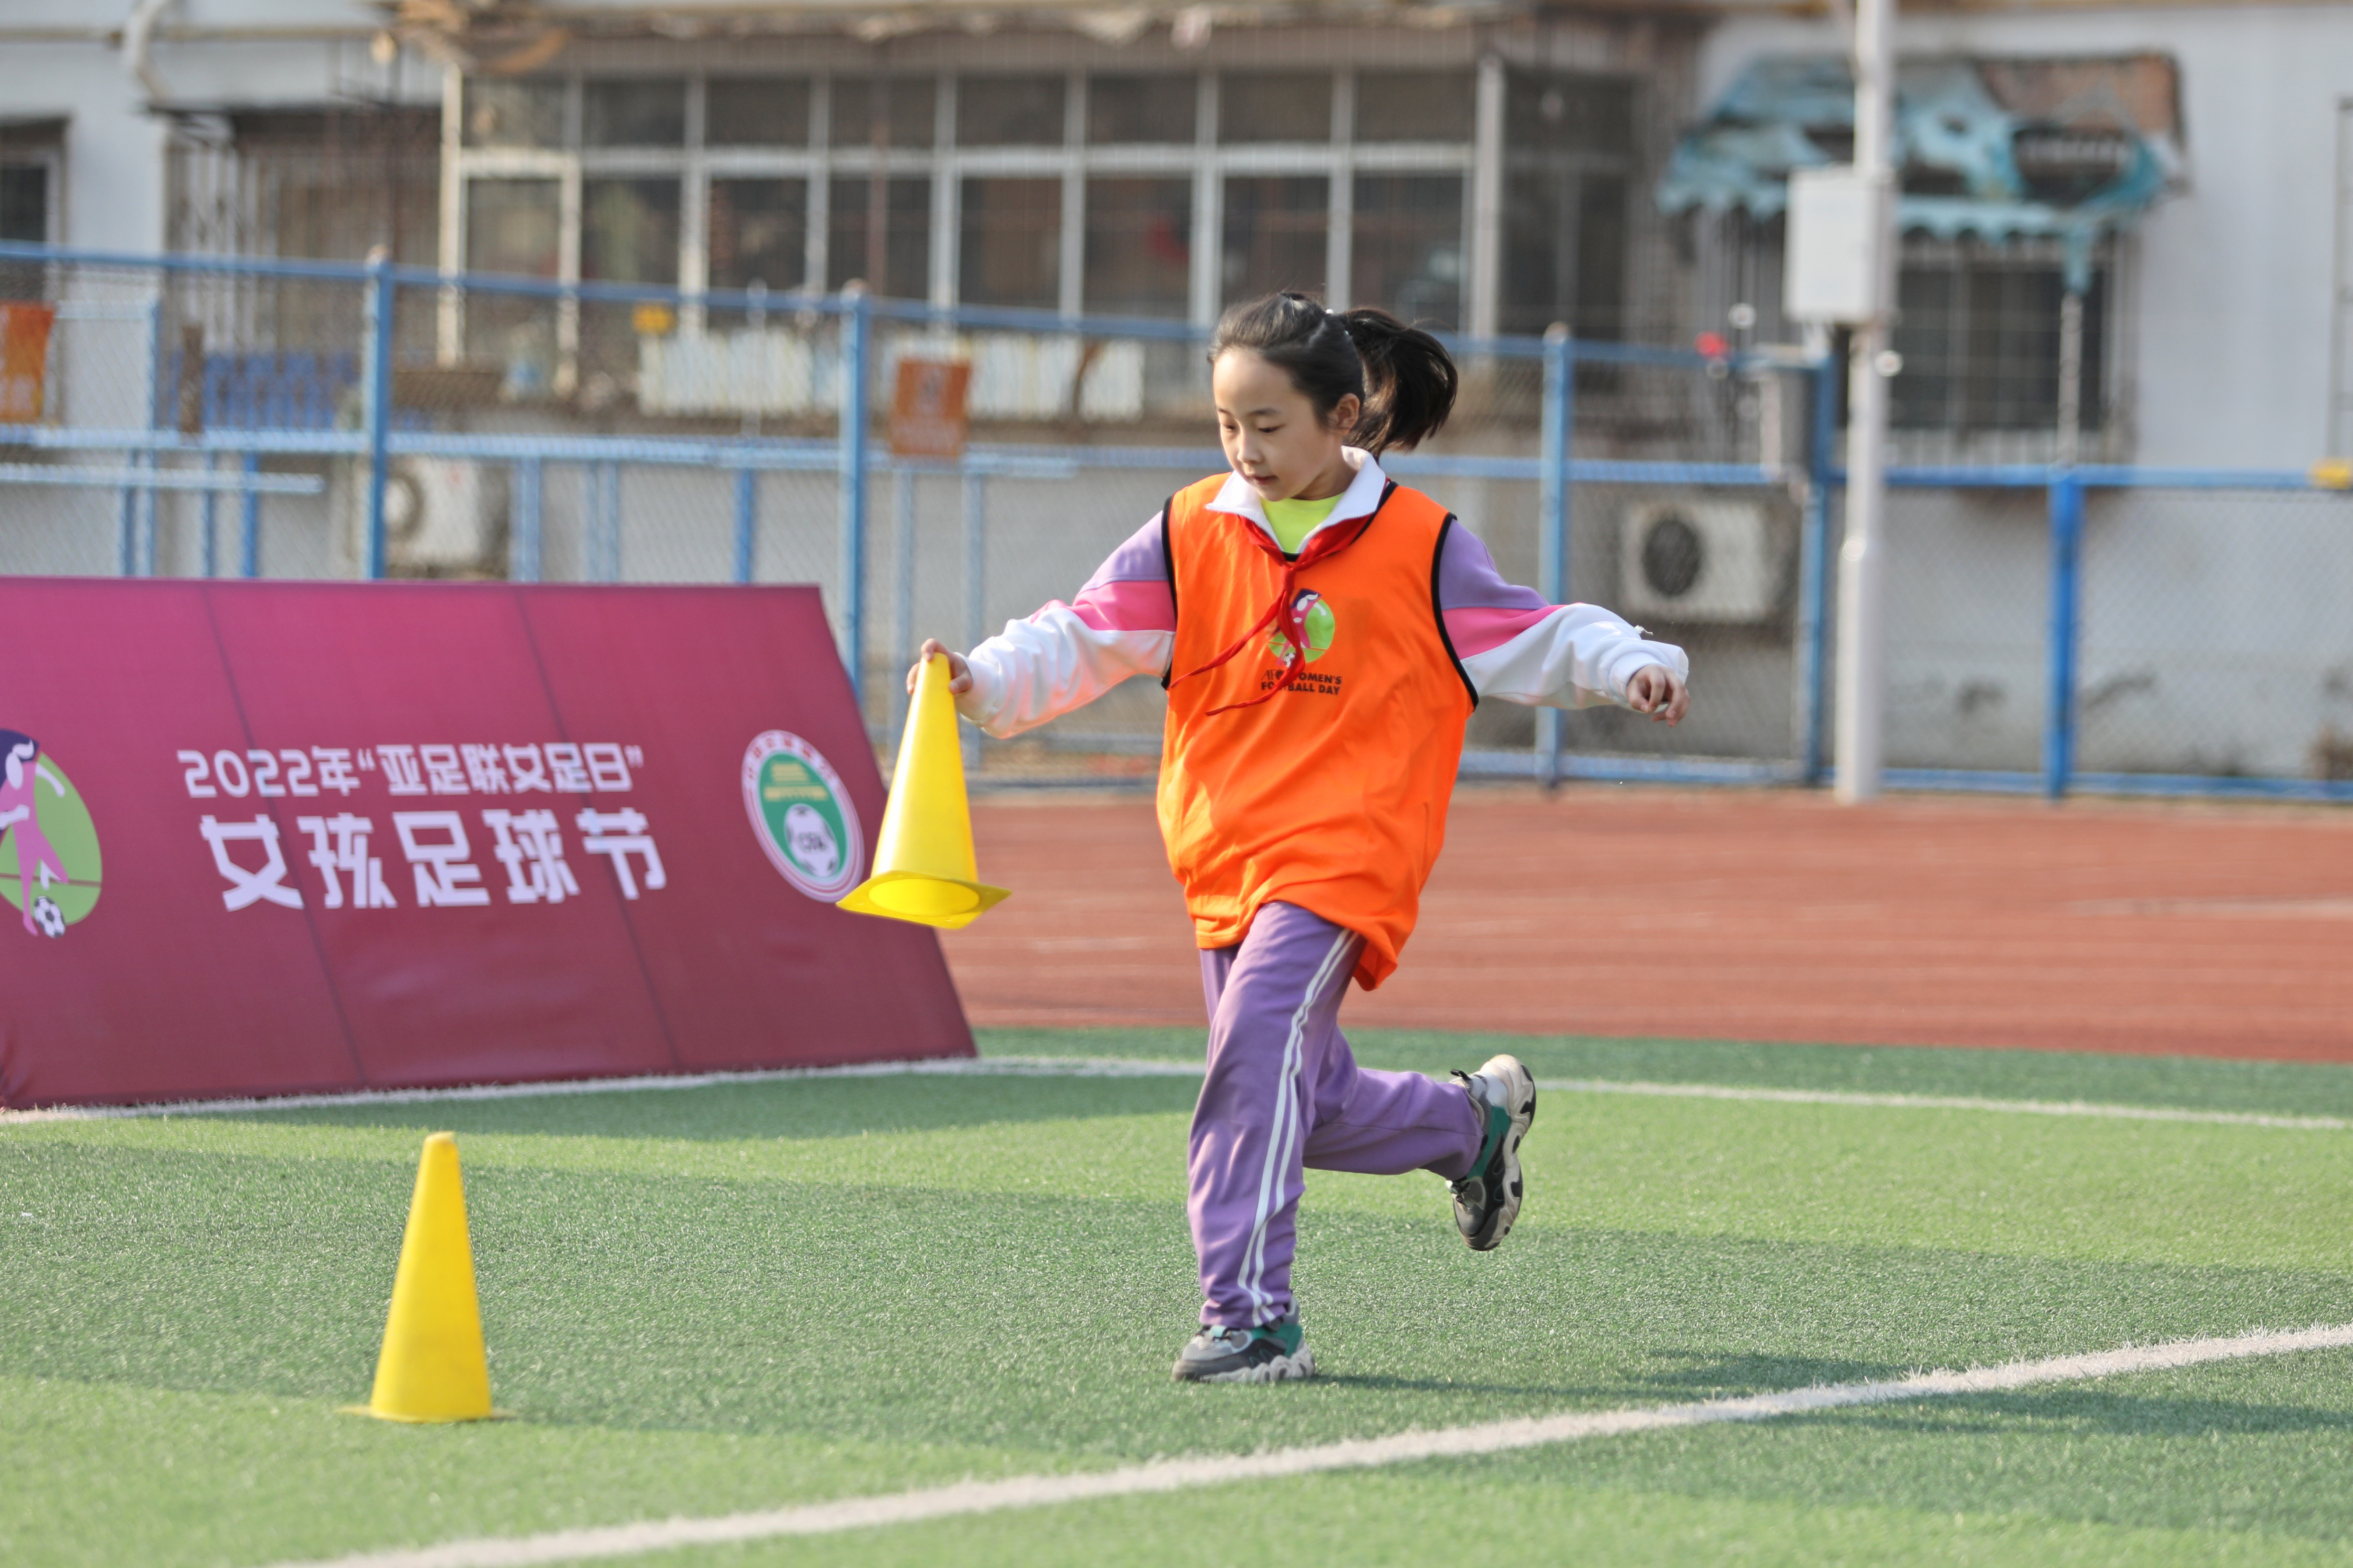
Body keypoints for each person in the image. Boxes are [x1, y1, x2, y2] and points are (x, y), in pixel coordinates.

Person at [908, 292, 1691, 1384]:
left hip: (1342, 862)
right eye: (1229, 424)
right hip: (1224, 855)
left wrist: (1634, 661)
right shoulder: (1188, 531)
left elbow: (1538, 631)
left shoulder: (1422, 545)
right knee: (1295, 1101)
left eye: (1268, 425)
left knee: (1251, 1059)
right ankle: (1469, 1127)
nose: (1246, 448)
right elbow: (1084, 633)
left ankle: (1251, 1318)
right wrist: (982, 678)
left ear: (1343, 417)